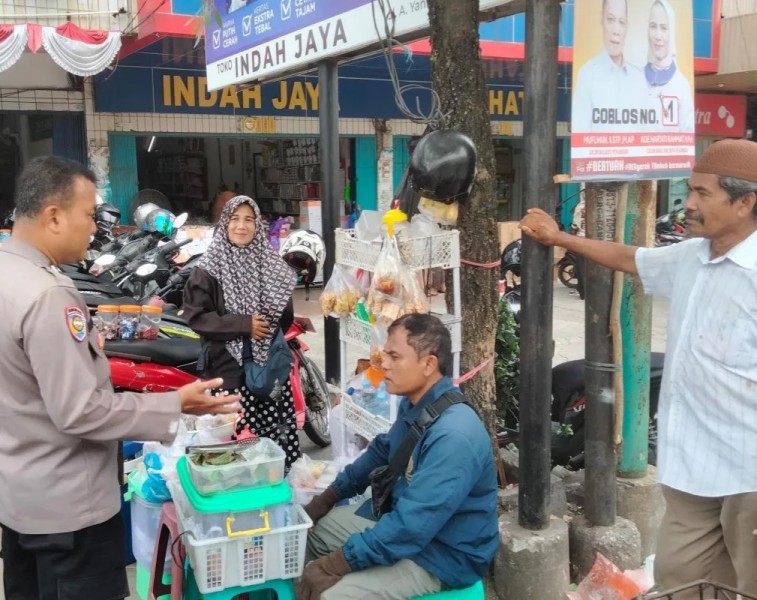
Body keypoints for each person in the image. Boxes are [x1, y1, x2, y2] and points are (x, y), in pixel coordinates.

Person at [520, 138, 757, 598]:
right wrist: (559, 237)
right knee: (678, 577)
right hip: (692, 464)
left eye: (702, 194)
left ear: (745, 203)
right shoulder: (693, 255)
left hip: (750, 473)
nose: (687, 203)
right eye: (689, 191)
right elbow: (632, 259)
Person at [0, 156, 240, 600]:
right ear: (54, 215)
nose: (95, 227)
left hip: (18, 501)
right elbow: (81, 411)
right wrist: (176, 403)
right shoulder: (47, 294)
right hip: (70, 514)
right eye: (89, 214)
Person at [300, 314, 499, 600]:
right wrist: (325, 500)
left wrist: (336, 564)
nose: (384, 365)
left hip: (444, 555)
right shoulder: (418, 403)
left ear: (428, 364)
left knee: (332, 595)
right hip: (413, 529)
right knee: (313, 532)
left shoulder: (454, 435)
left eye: (394, 356)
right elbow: (382, 451)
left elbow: (410, 528)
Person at [183, 195, 302, 470]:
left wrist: (263, 339)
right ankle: (237, 504)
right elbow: (197, 316)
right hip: (227, 371)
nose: (241, 226)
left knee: (272, 440)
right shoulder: (208, 268)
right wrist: (244, 325)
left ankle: (273, 492)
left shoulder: (272, 266)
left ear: (257, 226)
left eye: (249, 219)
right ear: (224, 224)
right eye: (235, 219)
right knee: (234, 448)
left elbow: (285, 316)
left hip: (266, 370)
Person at [572, 0, 646, 133]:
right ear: (602, 21)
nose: (616, 31)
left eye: (621, 22)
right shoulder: (587, 74)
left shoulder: (639, 78)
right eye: (611, 20)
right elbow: (580, 132)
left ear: (627, 27)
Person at [643, 0, 695, 133]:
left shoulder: (682, 85)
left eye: (664, 28)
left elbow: (686, 136)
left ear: (672, 32)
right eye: (653, 26)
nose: (658, 36)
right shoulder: (634, 79)